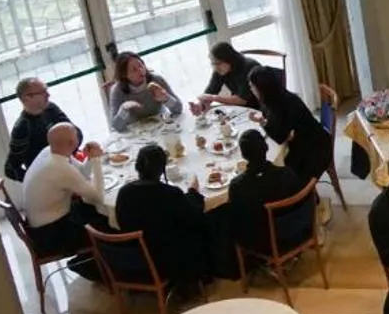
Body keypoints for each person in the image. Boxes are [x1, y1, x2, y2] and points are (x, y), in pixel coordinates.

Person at [110, 146, 213, 294]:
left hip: (137, 253)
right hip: (169, 257)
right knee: (206, 224)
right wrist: (193, 192)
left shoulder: (124, 192)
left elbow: (122, 222)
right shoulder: (170, 194)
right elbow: (194, 216)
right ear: (161, 169)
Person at [222, 128, 309, 271]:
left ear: (243, 156)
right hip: (297, 230)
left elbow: (236, 219)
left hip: (265, 242)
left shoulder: (238, 186)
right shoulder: (287, 173)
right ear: (267, 147)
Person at [20, 124, 108, 256]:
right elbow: (98, 197)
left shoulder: (50, 151)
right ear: (72, 142)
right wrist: (96, 160)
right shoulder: (59, 167)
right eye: (76, 135)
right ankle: (102, 261)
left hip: (41, 223)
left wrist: (90, 158)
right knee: (105, 220)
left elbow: (82, 173)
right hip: (51, 234)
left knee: (92, 208)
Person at [249, 66, 330, 183]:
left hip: (314, 150)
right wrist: (266, 122)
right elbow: (280, 130)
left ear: (262, 89)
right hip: (307, 141)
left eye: (252, 86)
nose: (251, 88)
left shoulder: (284, 104)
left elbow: (280, 137)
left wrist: (262, 122)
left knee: (273, 173)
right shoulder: (276, 97)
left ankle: (306, 191)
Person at [3, 77, 69, 183]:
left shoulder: (51, 108)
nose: (48, 95)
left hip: (66, 165)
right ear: (27, 98)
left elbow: (74, 131)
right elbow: (10, 169)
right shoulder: (22, 127)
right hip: (50, 179)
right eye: (43, 92)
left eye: (46, 90)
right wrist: (36, 181)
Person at [107, 52, 181, 125]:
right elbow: (116, 126)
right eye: (134, 69)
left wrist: (166, 98)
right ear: (124, 75)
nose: (140, 70)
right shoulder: (117, 90)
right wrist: (124, 109)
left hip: (162, 124)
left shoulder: (156, 80)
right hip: (136, 129)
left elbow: (179, 108)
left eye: (140, 65)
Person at [193, 42, 261, 115]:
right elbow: (211, 90)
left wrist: (213, 97)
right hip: (241, 107)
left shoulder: (248, 67)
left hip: (260, 107)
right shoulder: (220, 69)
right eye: (212, 63)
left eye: (217, 63)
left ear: (229, 59)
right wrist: (200, 104)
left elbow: (242, 100)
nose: (215, 68)